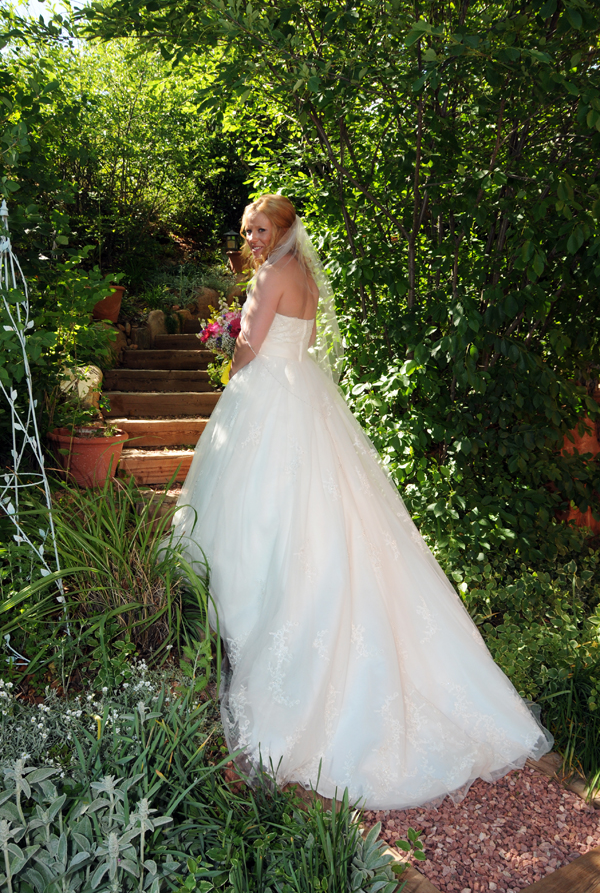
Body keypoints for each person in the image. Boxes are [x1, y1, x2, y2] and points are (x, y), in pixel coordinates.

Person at [170, 193, 552, 810]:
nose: (251, 240)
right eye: (247, 231)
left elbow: (252, 345)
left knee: (263, 513)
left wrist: (231, 366)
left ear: (283, 229)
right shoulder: (305, 274)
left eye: (260, 229)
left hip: (269, 397)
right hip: (305, 396)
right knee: (316, 514)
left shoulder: (270, 277)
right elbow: (301, 339)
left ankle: (260, 627)